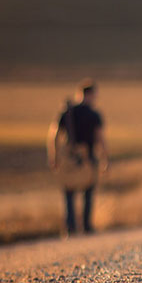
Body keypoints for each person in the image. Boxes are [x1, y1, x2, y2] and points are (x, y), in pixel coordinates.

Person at [47, 79, 109, 235]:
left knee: (69, 191)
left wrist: (54, 156)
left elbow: (54, 135)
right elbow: (100, 138)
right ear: (91, 95)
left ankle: (70, 227)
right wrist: (104, 158)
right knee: (88, 192)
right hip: (88, 156)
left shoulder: (67, 112)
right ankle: (87, 226)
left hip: (69, 157)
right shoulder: (94, 114)